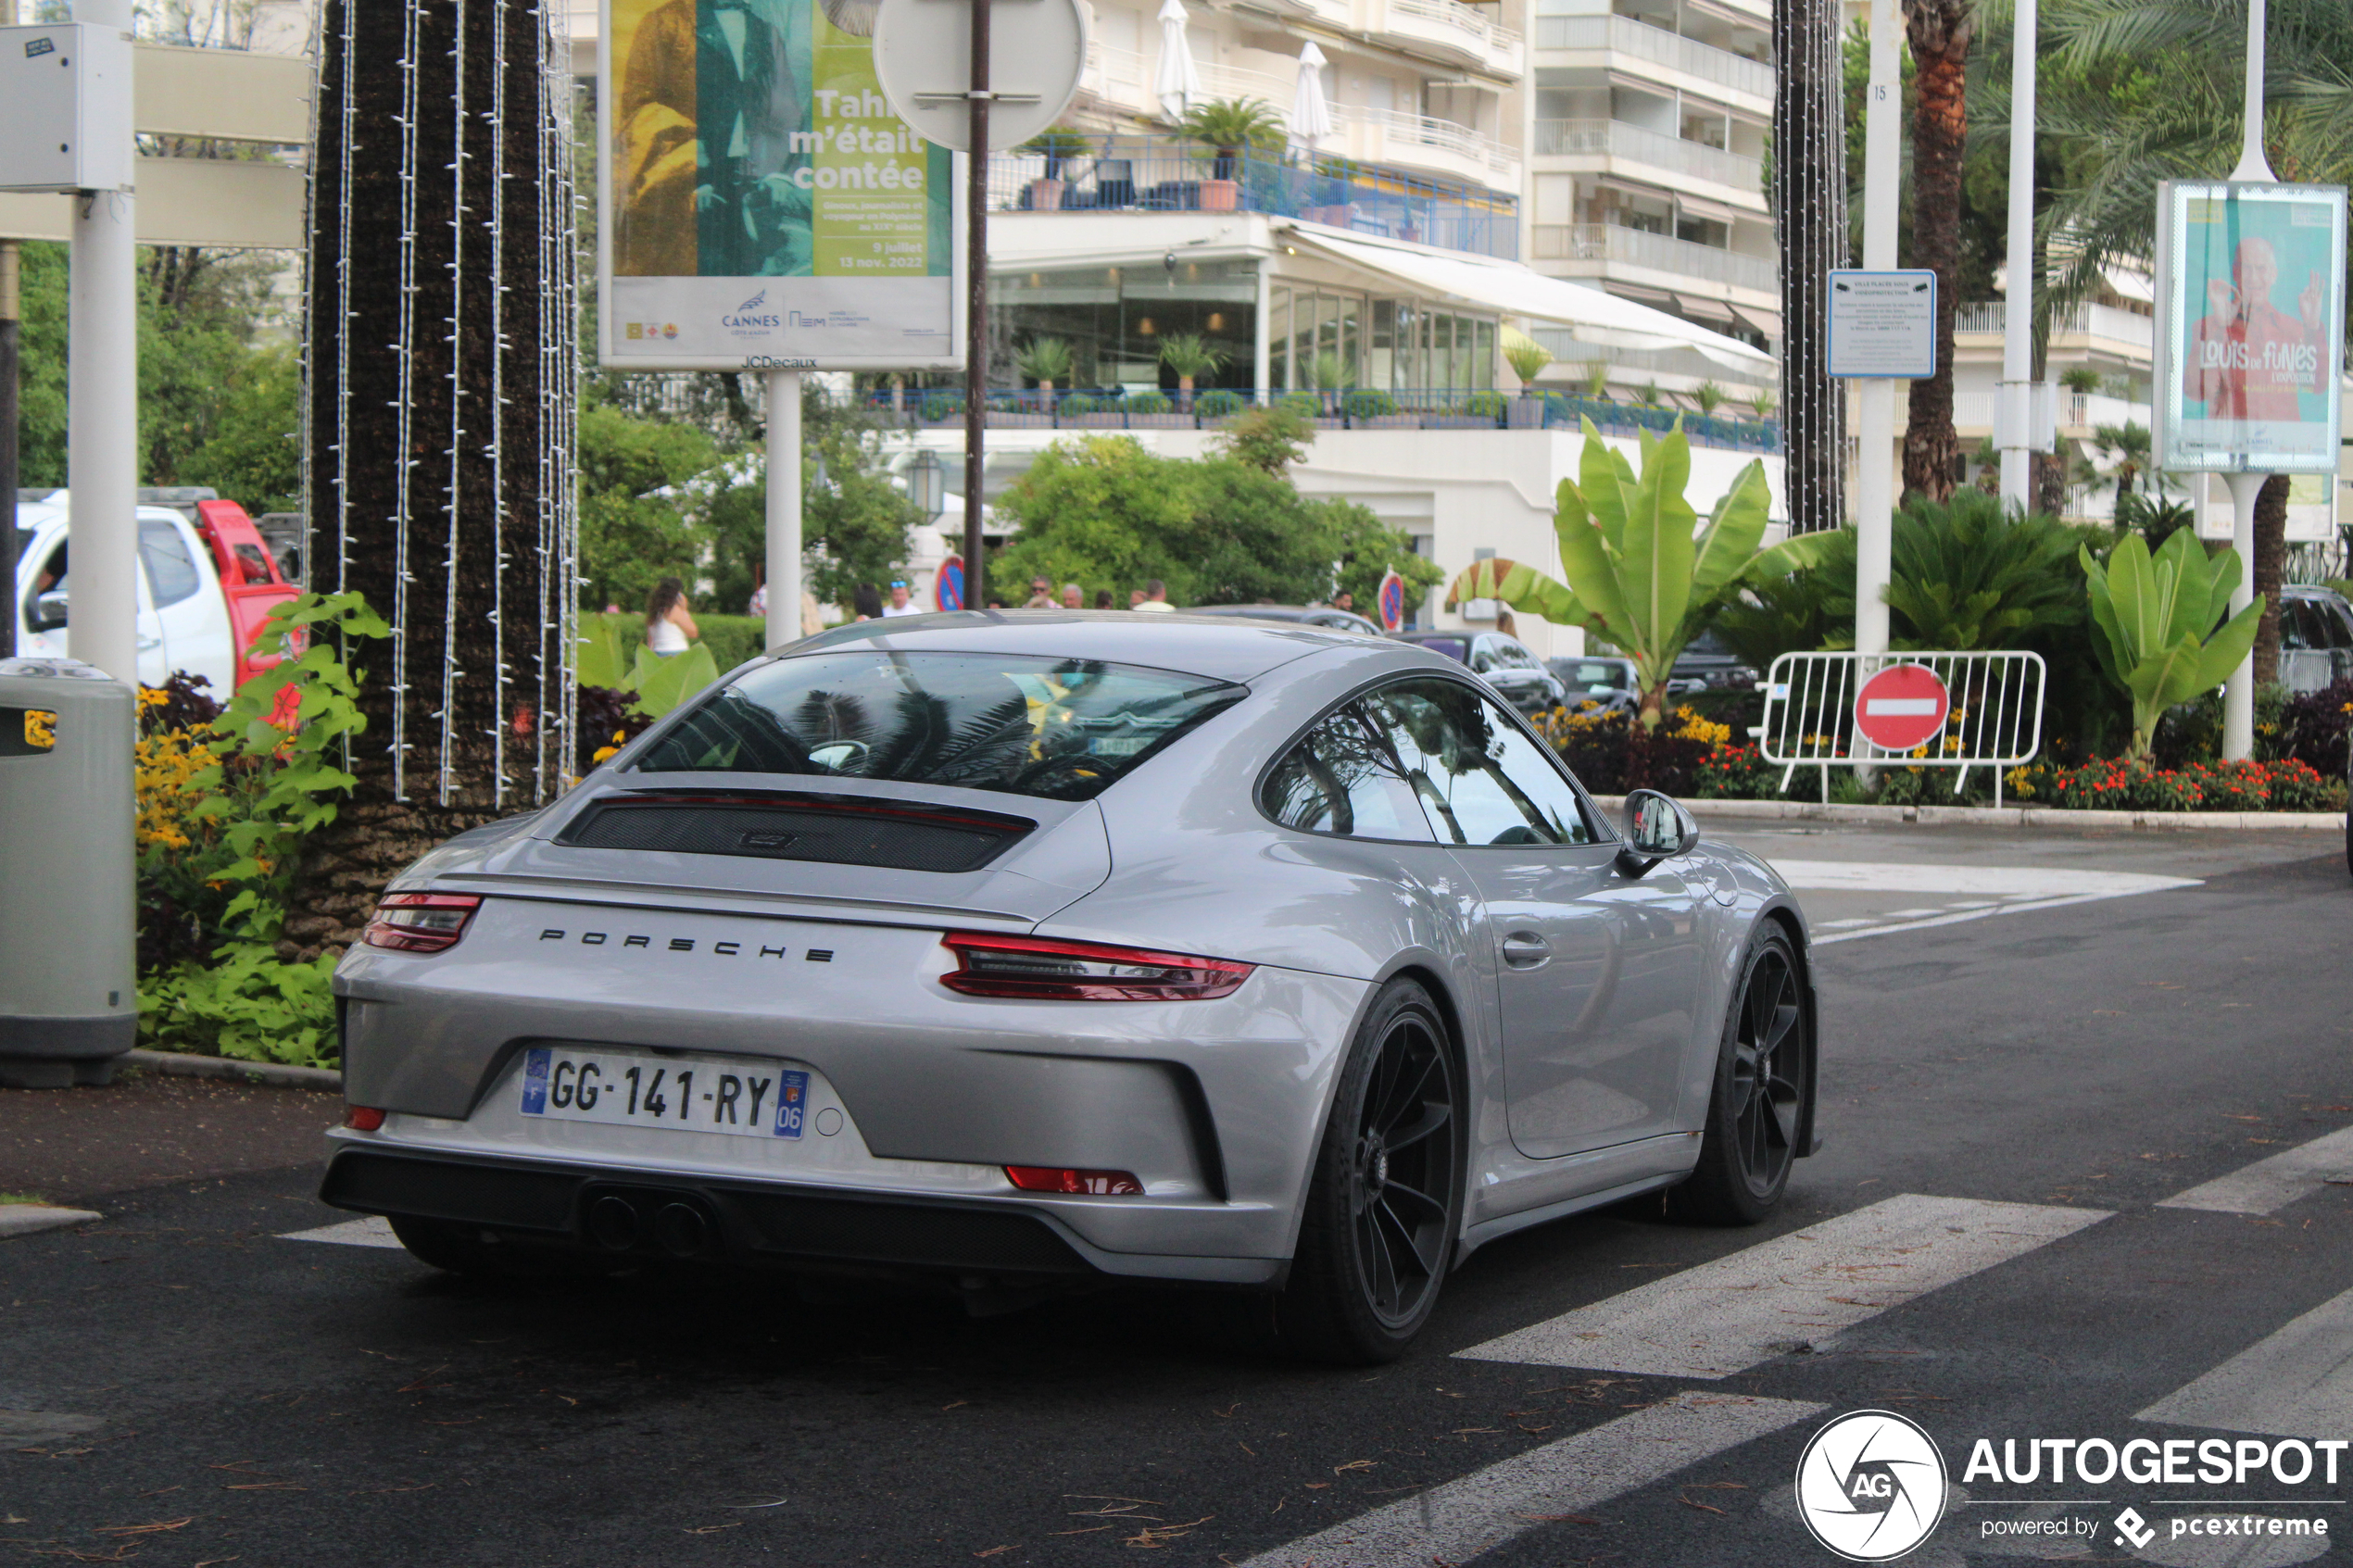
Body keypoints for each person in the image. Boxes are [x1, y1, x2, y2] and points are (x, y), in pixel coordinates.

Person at [2185, 235, 2326, 424]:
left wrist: (2312, 327)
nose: (2253, 278)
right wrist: (2220, 325)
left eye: (2261, 269)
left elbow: (2316, 386)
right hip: (2229, 447)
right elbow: (2195, 391)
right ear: (2235, 273)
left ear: (2273, 275)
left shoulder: (2294, 329)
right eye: (2246, 269)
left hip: (2281, 448)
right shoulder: (2209, 327)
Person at [644, 577, 698, 657]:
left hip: (657, 653)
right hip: (677, 652)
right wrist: (684, 610)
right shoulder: (674, 611)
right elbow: (693, 633)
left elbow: (650, 640)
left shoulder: (654, 612)